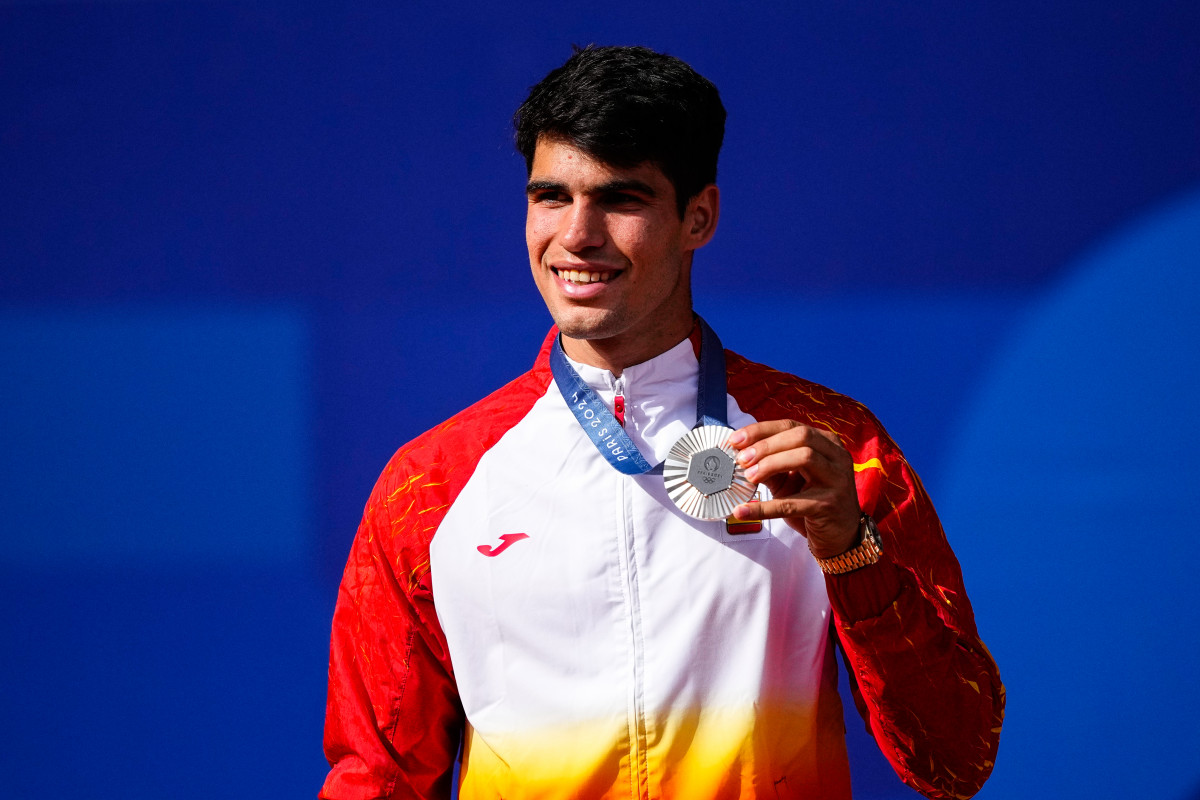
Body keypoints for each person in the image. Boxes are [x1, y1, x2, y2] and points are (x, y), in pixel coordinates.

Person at [320, 45, 1004, 800]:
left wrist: (852, 553)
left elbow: (956, 756)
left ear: (698, 217)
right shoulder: (429, 485)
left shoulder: (834, 449)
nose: (577, 236)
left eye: (621, 199)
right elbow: (376, 778)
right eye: (551, 196)